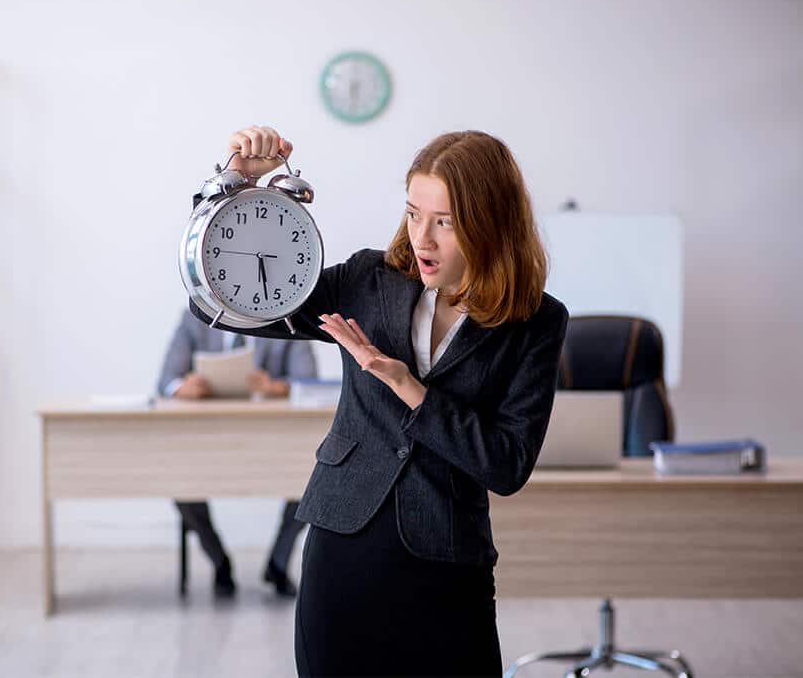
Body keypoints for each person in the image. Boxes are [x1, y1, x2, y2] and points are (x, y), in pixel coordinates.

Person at [188, 125, 569, 677]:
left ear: (492, 223)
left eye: (446, 222)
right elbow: (221, 303)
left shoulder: (535, 320)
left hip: (447, 556)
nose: (423, 238)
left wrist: (410, 389)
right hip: (343, 542)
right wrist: (233, 189)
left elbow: (507, 464)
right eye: (415, 213)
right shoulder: (369, 279)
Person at [157, 309, 317, 597]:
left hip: (273, 439)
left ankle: (278, 563)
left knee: (311, 479)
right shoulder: (194, 319)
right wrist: (182, 387)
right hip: (207, 438)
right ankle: (219, 561)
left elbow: (309, 382)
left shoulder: (287, 318)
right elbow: (167, 379)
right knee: (180, 485)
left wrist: (278, 387)